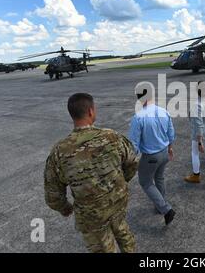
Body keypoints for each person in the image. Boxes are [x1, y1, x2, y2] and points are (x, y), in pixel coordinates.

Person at [44, 93, 138, 253]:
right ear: (90, 112)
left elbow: (53, 194)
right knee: (123, 232)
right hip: (117, 203)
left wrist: (65, 208)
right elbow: (132, 162)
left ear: (72, 115)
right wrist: (121, 183)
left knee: (102, 247)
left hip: (90, 215)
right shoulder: (112, 137)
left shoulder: (59, 151)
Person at [128, 87, 176, 226]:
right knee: (159, 178)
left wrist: (130, 160)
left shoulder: (138, 117)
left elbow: (134, 143)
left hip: (151, 157)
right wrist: (170, 147)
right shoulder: (164, 111)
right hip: (165, 152)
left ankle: (166, 209)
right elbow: (171, 133)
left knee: (145, 182)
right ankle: (160, 206)